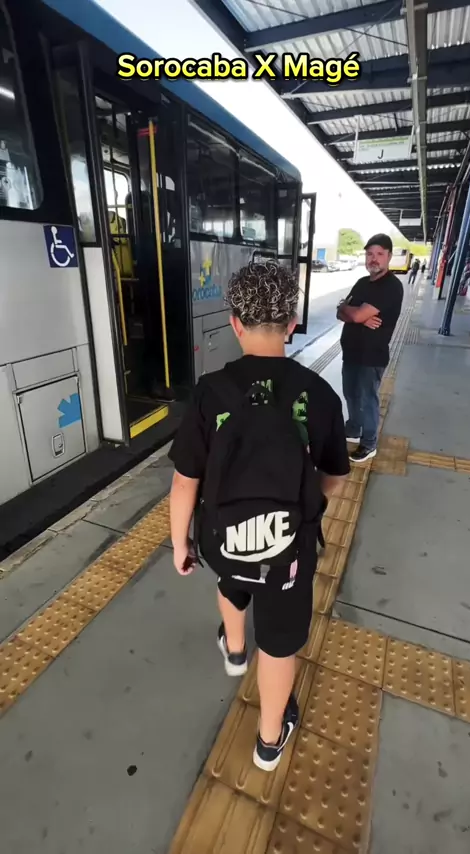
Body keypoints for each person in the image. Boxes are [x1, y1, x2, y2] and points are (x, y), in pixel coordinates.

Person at [168, 259, 349, 772]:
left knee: (232, 581)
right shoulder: (319, 394)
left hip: (224, 540)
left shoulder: (209, 392)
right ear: (292, 323)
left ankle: (234, 651)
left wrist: (181, 543)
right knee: (279, 646)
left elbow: (185, 481)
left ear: (235, 324)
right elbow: (336, 475)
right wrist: (307, 505)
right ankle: (269, 742)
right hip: (288, 551)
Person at [337, 233, 404, 464]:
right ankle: (353, 429)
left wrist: (353, 314)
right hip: (351, 351)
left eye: (379, 254)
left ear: (389, 257)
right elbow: (340, 313)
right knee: (350, 394)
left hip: (371, 356)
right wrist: (352, 313)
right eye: (369, 254)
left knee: (367, 400)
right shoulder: (362, 283)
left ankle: (369, 443)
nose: (373, 259)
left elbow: (353, 314)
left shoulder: (391, 286)